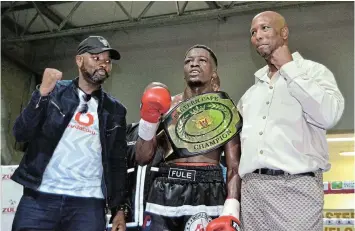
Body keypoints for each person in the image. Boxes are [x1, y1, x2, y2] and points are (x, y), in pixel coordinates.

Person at [237, 11, 345, 231]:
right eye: (253, 32)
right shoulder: (251, 93)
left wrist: (290, 68)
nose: (258, 35)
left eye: (265, 28)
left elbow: (329, 115)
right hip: (251, 191)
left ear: (284, 32)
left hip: (297, 189)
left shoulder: (314, 73)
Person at [11, 36, 129, 231]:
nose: (103, 64)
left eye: (107, 61)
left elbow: (118, 162)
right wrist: (41, 95)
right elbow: (21, 133)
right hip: (40, 198)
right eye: (96, 58)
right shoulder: (54, 92)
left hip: (88, 204)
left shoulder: (115, 110)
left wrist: (119, 210)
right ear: (79, 60)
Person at [135, 45, 243, 231]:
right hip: (165, 187)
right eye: (188, 61)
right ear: (183, 71)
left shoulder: (225, 111)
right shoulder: (166, 106)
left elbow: (234, 168)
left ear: (214, 72)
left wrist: (231, 209)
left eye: (202, 60)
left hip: (208, 189)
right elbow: (142, 158)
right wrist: (148, 120)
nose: (194, 64)